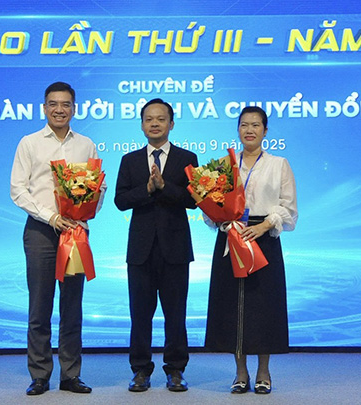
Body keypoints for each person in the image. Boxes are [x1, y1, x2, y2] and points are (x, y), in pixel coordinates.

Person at [10, 81, 102, 396]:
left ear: (74, 108)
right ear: (44, 107)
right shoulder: (29, 143)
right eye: (53, 104)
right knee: (39, 306)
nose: (59, 110)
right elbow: (18, 189)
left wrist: (84, 213)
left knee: (72, 307)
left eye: (65, 104)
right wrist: (50, 217)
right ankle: (39, 375)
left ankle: (70, 375)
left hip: (75, 233)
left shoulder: (86, 145)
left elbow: (98, 186)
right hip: (40, 231)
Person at [205, 106, 298, 395]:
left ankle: (264, 371)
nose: (249, 130)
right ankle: (240, 372)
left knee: (263, 307)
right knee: (233, 306)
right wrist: (222, 219)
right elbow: (209, 209)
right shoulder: (224, 165)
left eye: (255, 125)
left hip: (264, 237)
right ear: (238, 130)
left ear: (265, 131)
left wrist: (265, 226)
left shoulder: (279, 164)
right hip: (231, 237)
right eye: (244, 125)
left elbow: (289, 208)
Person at [114, 98, 199, 392]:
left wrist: (165, 187)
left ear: (171, 124)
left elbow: (194, 200)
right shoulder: (130, 160)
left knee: (176, 314)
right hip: (141, 250)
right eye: (149, 119)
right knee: (140, 314)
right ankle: (140, 370)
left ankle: (175, 369)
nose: (154, 124)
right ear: (141, 125)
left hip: (175, 248)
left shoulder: (187, 158)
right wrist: (148, 189)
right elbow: (120, 200)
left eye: (161, 119)